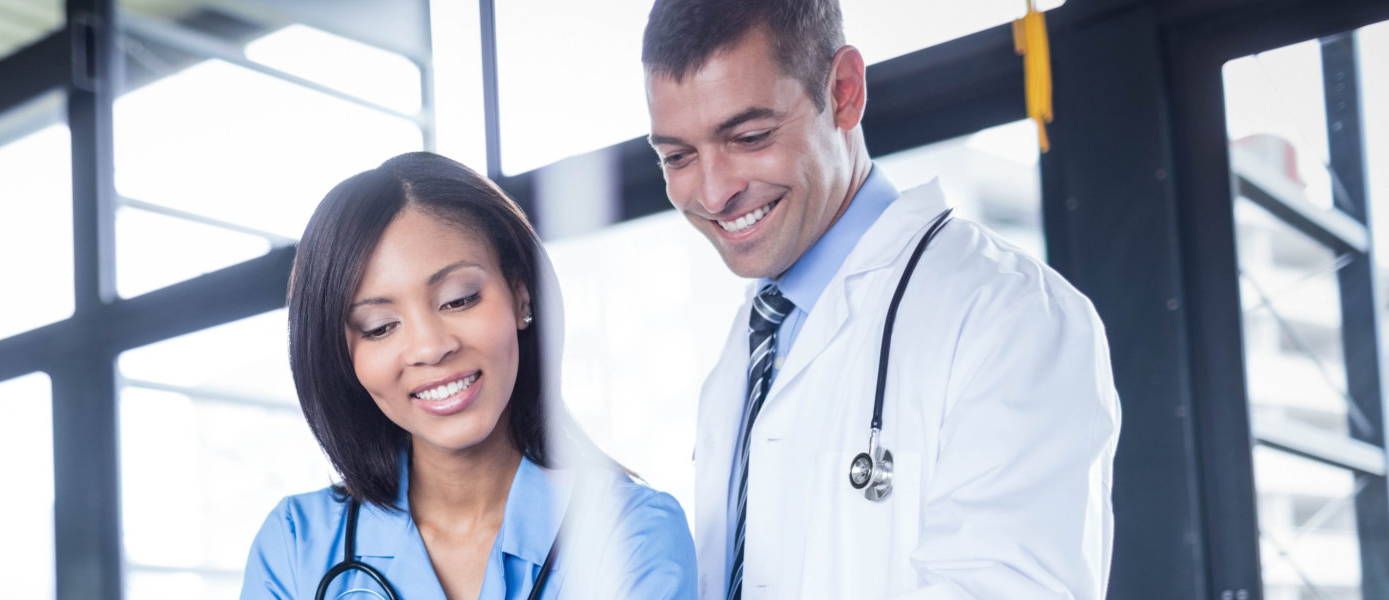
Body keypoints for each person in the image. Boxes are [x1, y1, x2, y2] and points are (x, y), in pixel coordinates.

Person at [640, 0, 1121, 598]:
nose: (712, 193)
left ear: (843, 92)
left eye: (749, 136)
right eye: (677, 157)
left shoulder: (1010, 316)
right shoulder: (745, 352)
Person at [241, 152, 696, 599]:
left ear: (521, 295)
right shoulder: (294, 545)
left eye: (459, 299)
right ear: (343, 357)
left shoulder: (631, 532)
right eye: (380, 327)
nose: (430, 346)